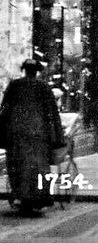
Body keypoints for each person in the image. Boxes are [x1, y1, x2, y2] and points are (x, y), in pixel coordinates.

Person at [0, 58, 65, 215]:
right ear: (36, 71)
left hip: (18, 133)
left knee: (18, 166)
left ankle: (22, 197)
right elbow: (52, 112)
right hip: (38, 133)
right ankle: (37, 198)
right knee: (38, 167)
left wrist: (4, 132)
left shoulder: (14, 85)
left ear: (24, 70)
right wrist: (56, 135)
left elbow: (5, 109)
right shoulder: (43, 86)